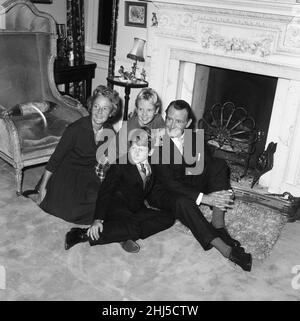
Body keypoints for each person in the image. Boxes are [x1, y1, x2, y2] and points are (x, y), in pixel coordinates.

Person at [148, 99, 252, 272]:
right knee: (183, 201)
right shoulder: (157, 141)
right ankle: (226, 250)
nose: (172, 125)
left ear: (188, 123)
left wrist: (221, 190)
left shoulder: (193, 137)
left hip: (185, 179)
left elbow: (204, 166)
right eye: (169, 119)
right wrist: (206, 198)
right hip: (162, 191)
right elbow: (171, 184)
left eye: (179, 121)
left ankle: (218, 224)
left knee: (218, 165)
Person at [64, 127, 175, 253]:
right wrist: (97, 219)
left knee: (168, 218)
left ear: (150, 152)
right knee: (133, 228)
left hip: (136, 208)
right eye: (133, 148)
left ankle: (123, 233)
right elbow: (105, 192)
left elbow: (157, 185)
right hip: (116, 208)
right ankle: (82, 234)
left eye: (141, 149)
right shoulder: (119, 165)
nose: (136, 153)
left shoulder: (152, 165)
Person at [38, 85, 121, 225]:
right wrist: (42, 187)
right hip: (67, 173)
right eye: (96, 106)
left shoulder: (109, 131)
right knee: (73, 210)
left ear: (111, 112)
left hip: (90, 174)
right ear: (91, 107)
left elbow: (111, 160)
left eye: (105, 108)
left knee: (106, 201)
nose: (99, 112)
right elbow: (55, 159)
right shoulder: (75, 129)